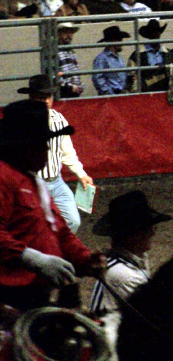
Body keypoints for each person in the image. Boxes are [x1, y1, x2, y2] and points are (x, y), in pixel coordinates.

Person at [0, 99, 104, 310]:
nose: (47, 150)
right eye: (42, 144)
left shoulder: (33, 182)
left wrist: (84, 259)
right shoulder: (4, 178)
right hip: (9, 297)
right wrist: (31, 258)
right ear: (24, 147)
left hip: (32, 295)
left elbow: (58, 231)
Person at [17, 75, 93, 233]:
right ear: (31, 98)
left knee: (73, 221)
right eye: (41, 97)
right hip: (31, 185)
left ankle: (55, 251)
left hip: (56, 182)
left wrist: (81, 173)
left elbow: (67, 151)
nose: (45, 101)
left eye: (48, 97)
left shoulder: (59, 119)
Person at [89, 190, 171, 314]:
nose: (153, 233)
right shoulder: (124, 275)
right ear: (132, 236)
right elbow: (153, 315)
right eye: (148, 229)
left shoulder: (131, 260)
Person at [127, 19, 169, 93]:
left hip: (165, 92)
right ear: (148, 35)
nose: (155, 35)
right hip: (146, 92)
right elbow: (131, 76)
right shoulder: (137, 55)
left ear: (160, 33)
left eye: (157, 32)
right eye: (152, 32)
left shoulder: (168, 54)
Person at [93, 25, 130, 95]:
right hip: (111, 95)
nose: (121, 43)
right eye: (119, 40)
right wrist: (108, 93)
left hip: (120, 94)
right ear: (112, 41)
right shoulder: (101, 58)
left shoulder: (119, 58)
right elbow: (97, 78)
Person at [55, 22, 83, 98]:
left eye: (71, 32)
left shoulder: (71, 51)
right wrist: (70, 87)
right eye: (65, 32)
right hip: (63, 93)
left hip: (73, 91)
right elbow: (53, 75)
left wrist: (78, 86)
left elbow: (75, 72)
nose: (69, 35)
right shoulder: (54, 52)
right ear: (58, 34)